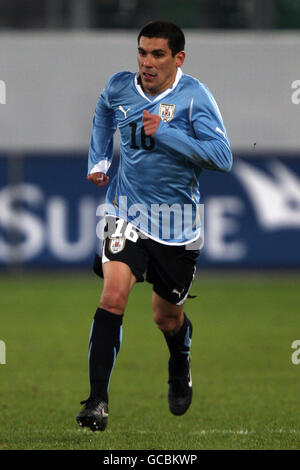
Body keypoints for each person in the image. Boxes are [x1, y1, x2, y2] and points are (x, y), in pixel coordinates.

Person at [76, 20, 232, 432]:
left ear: (178, 58)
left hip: (177, 224)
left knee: (166, 318)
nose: (147, 62)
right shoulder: (120, 86)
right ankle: (97, 402)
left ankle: (179, 359)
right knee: (112, 297)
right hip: (124, 211)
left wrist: (167, 134)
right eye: (142, 52)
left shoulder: (195, 97)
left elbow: (222, 157)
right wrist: (99, 160)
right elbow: (103, 113)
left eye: (157, 54)